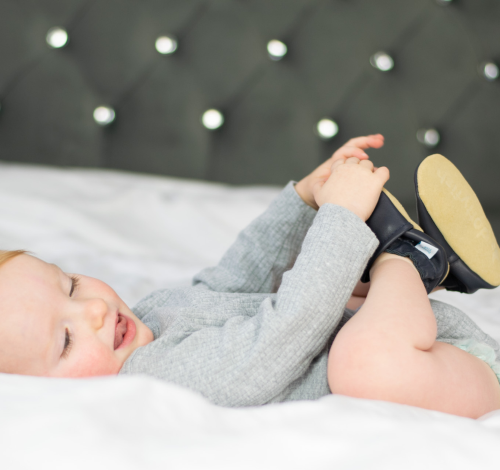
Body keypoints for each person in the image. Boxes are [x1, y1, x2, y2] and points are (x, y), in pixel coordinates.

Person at [0, 134, 499, 419]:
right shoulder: (151, 382)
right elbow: (283, 333)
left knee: (331, 283)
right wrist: (341, 218)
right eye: (65, 340)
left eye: (70, 285)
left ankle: (406, 265)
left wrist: (303, 200)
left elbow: (234, 277)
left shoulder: (152, 316)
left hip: (435, 361)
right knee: (355, 355)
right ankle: (410, 261)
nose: (91, 310)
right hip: (437, 371)